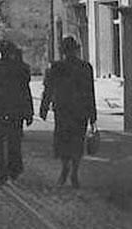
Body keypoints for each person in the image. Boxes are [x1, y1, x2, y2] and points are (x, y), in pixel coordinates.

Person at [39, 36, 96, 189]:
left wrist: (44, 107)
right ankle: (74, 170)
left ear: (62, 51)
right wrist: (93, 115)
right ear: (76, 50)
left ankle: (65, 168)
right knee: (77, 140)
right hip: (80, 110)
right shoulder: (85, 67)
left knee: (63, 139)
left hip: (63, 109)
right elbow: (90, 92)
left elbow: (48, 89)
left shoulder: (56, 67)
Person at [0, 42, 33, 185]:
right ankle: (14, 169)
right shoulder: (21, 68)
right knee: (14, 140)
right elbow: (25, 91)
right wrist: (29, 112)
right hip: (14, 110)